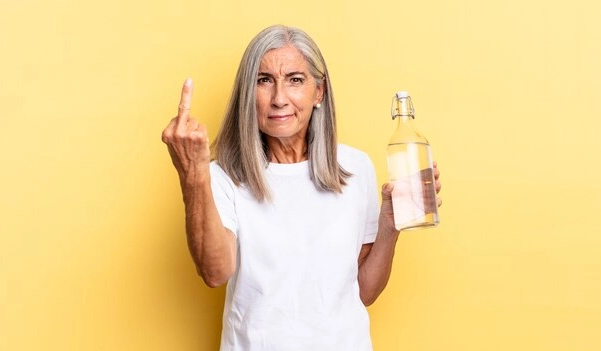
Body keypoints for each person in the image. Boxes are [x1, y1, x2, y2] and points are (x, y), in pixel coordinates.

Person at [161, 25, 442, 351]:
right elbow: (215, 272)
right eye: (264, 80)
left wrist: (389, 228)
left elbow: (364, 292)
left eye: (295, 80)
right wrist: (193, 176)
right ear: (247, 94)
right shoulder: (223, 176)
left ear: (318, 92)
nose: (279, 98)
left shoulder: (355, 168)